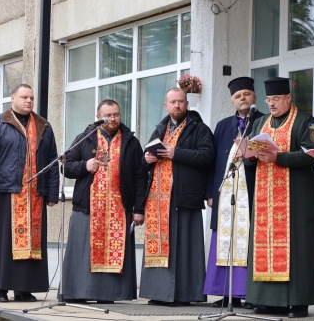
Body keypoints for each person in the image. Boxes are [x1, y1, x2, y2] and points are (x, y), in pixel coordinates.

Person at [243, 77, 314, 319]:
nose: (271, 104)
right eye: (268, 99)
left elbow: (311, 156)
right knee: (265, 246)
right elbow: (255, 153)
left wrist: (278, 158)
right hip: (265, 201)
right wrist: (248, 154)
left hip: (296, 199)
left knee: (297, 249)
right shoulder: (259, 121)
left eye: (276, 99)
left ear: (288, 98)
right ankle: (268, 301)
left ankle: (299, 303)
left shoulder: (306, 121)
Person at [0, 84, 59, 302]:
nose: (29, 101)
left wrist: (52, 193)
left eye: (31, 97)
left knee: (31, 245)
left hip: (34, 195)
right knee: (2, 244)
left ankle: (24, 288)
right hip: (5, 194)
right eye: (24, 97)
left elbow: (51, 160)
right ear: (13, 98)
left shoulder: (43, 125)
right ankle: (0, 288)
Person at [62, 99, 147, 303]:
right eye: (108, 115)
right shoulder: (85, 137)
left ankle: (108, 295)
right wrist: (85, 165)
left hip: (120, 207)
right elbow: (66, 166)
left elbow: (140, 177)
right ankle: (78, 293)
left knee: (114, 252)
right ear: (98, 116)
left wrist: (138, 208)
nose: (112, 118)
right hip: (87, 206)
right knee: (84, 252)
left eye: (116, 114)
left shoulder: (131, 141)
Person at [139, 87, 215, 306]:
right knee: (159, 246)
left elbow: (208, 156)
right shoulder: (159, 129)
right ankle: (158, 293)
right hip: (157, 199)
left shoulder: (199, 128)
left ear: (187, 104)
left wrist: (175, 153)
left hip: (184, 196)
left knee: (184, 247)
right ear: (166, 105)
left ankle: (185, 295)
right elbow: (143, 162)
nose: (177, 106)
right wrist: (147, 159)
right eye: (173, 102)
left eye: (181, 102)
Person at [204, 77, 264, 309]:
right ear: (232, 101)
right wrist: (210, 192)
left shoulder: (263, 121)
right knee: (224, 240)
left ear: (254, 97)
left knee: (248, 240)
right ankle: (226, 293)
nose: (243, 99)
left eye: (247, 94)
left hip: (251, 192)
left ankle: (249, 293)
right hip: (226, 193)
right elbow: (213, 161)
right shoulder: (222, 125)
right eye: (238, 96)